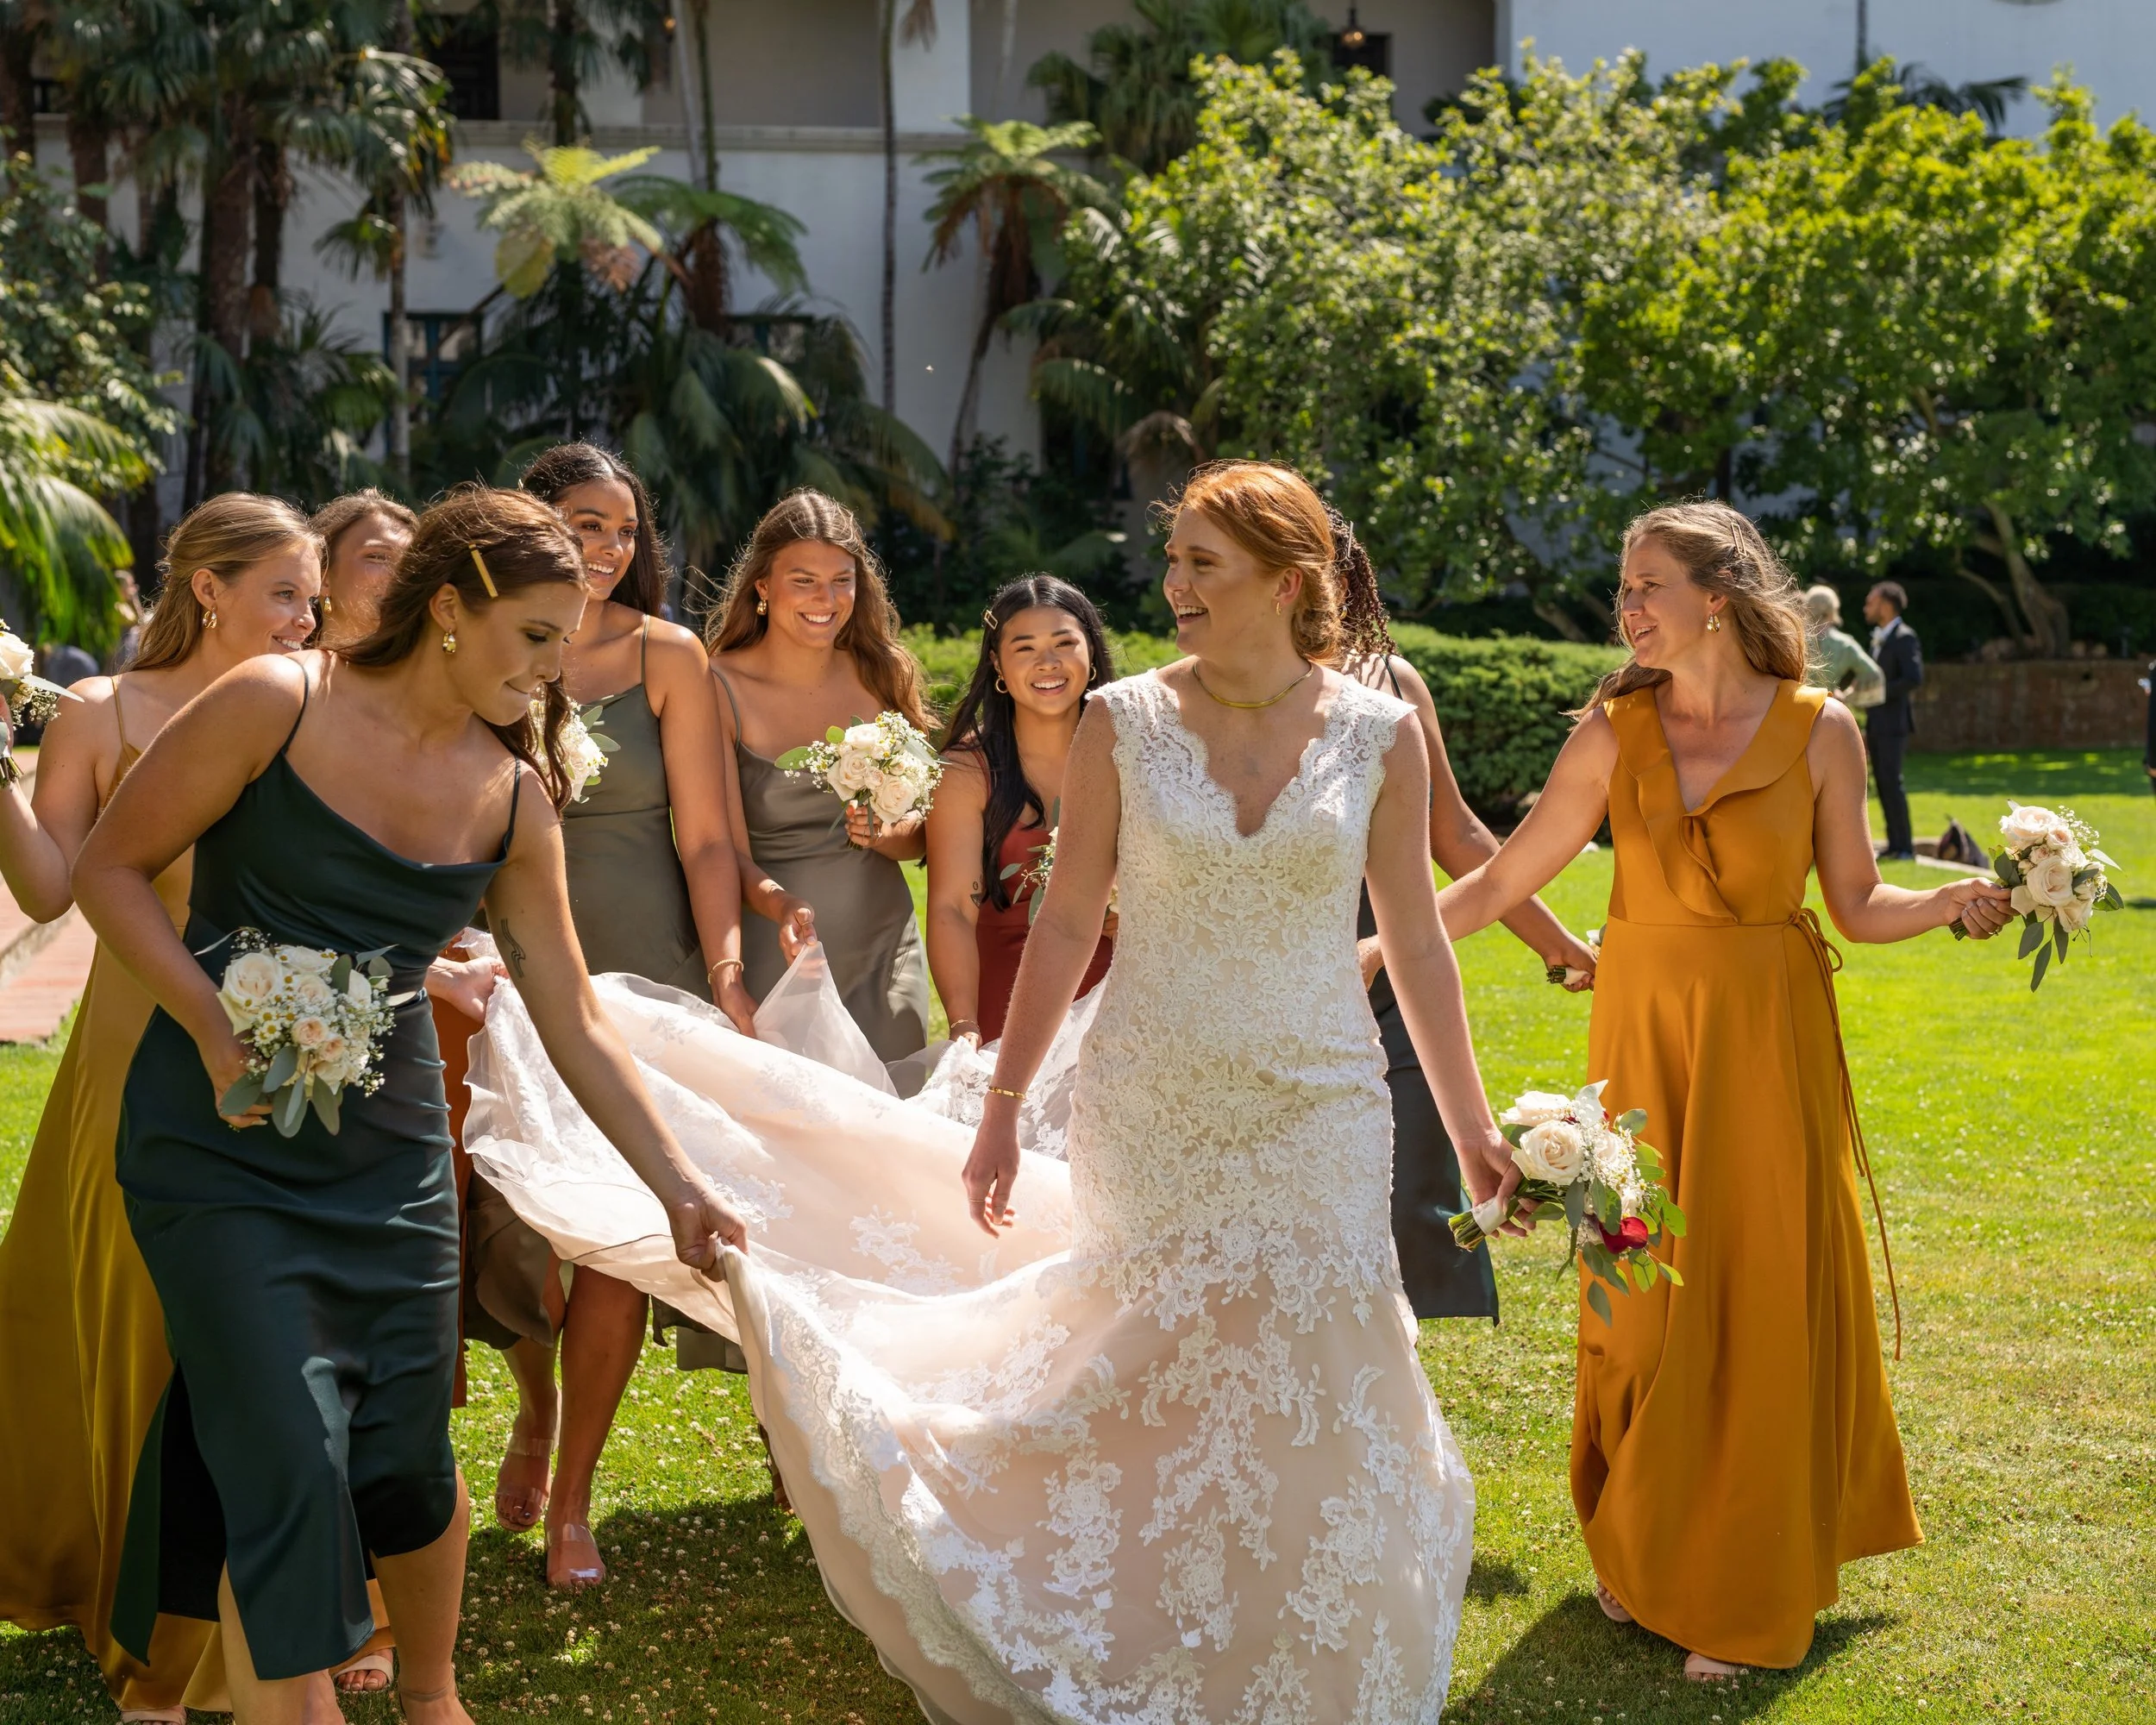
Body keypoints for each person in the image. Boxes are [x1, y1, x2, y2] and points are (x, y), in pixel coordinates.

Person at [72, 485, 746, 1725]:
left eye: (564, 643)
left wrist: (679, 1183)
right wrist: (212, 1026)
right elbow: (106, 867)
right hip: (217, 1142)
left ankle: (428, 1697)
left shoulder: (515, 795)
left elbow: (573, 1011)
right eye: (534, 637)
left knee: (399, 1450)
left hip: (389, 1160)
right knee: (285, 1439)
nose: (553, 670)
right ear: (447, 608)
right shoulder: (278, 700)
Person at [1438, 500, 2011, 1680]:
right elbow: (1504, 875)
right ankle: (1637, 1529)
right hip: (1643, 1035)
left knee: (1750, 1293)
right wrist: (1379, 948)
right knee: (1635, 1295)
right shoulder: (1613, 727)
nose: (1627, 608)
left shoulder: (1821, 730)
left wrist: (1950, 900)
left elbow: (1856, 902)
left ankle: (1745, 1585)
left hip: (1762, 1039)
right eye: (1623, 588)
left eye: (1646, 584)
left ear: (1718, 595)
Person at [0, 494, 321, 1725]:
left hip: (279, 1045)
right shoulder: (105, 711)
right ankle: (142, 1621)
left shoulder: (313, 706)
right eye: (286, 593)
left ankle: (261, 1610)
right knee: (138, 1315)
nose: (306, 619)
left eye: (312, 599)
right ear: (209, 590)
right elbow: (51, 884)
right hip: (133, 1048)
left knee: (259, 1330)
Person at [461, 442, 752, 1590]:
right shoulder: (472, 647)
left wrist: (725, 969)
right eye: (586, 523)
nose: (609, 548)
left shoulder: (665, 654)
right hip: (502, 969)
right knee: (514, 1233)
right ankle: (534, 1405)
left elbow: (708, 835)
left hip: (640, 978)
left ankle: (575, 1495)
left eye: (625, 530)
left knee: (614, 1241)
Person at [1331, 512, 1598, 1323]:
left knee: (1411, 1174)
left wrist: (1557, 945)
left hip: (1396, 954)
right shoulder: (1213, 690)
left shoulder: (1393, 683)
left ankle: (1391, 1363)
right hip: (1281, 959)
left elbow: (1455, 834)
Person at [706, 489, 933, 1059]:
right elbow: (718, 849)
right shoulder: (716, 687)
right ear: (763, 586)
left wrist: (884, 833)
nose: (825, 599)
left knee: (895, 1107)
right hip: (778, 950)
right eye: (803, 580)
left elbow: (926, 833)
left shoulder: (883, 673)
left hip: (886, 952)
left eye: (841, 581)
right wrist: (781, 907)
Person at [924, 575, 1115, 1045]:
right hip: (1009, 1002)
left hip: (1122, 998)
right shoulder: (967, 771)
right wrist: (964, 1023)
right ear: (997, 664)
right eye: (1025, 648)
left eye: (1064, 643)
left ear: (1091, 651)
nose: (1047, 663)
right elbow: (952, 909)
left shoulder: (1133, 754)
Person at [1864, 580, 1923, 861]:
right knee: (1883, 783)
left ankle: (1905, 847)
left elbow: (1913, 678)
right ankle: (1894, 844)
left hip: (1894, 724)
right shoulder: (1880, 636)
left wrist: (1877, 693)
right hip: (1877, 722)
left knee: (1892, 782)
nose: (1866, 608)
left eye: (1871, 602)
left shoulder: (1904, 637)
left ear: (1886, 605)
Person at [311, 489, 417, 643]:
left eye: (410, 562)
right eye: (378, 557)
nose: (401, 574)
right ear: (323, 578)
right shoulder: (281, 657)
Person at [1802, 584, 1884, 709]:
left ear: (1807, 607)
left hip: (1793, 708)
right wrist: (1848, 696)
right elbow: (1873, 674)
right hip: (1826, 710)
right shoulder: (1844, 644)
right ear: (1833, 610)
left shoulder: (1793, 638)